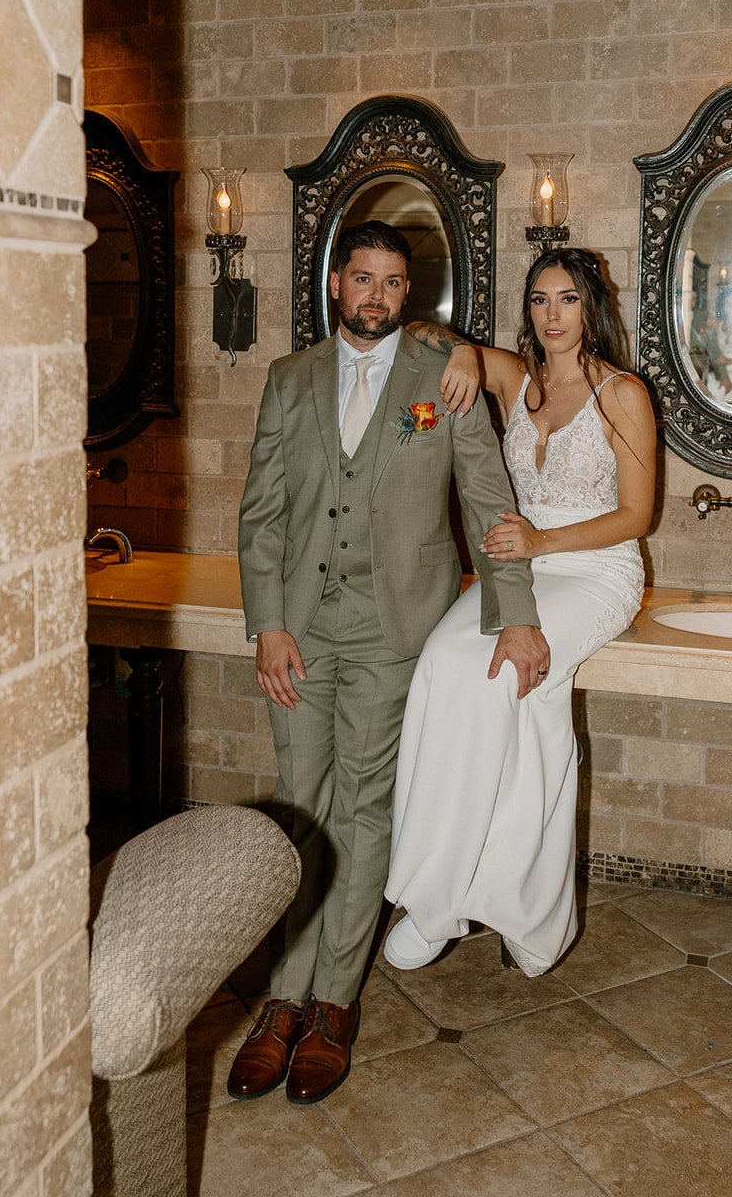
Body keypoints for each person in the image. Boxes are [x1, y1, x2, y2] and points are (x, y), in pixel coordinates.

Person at [228, 221, 547, 1104]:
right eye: (360, 279)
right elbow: (261, 515)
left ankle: (330, 1003)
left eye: (392, 283)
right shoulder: (288, 380)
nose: (374, 295)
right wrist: (268, 626)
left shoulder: (444, 379)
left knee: (362, 806)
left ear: (410, 296)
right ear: (336, 286)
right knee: (299, 805)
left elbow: (489, 500)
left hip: (390, 630)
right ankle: (280, 1000)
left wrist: (513, 614)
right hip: (299, 628)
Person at [384, 248, 656, 977]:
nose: (552, 315)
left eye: (566, 299)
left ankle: (438, 905)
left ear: (591, 307)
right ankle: (519, 915)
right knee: (444, 664)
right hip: (515, 571)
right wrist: (469, 354)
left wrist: (542, 538)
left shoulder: (620, 393)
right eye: (538, 301)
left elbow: (636, 514)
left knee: (500, 675)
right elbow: (415, 334)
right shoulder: (516, 375)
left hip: (594, 573)